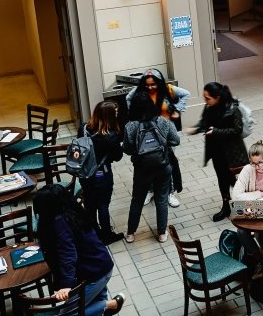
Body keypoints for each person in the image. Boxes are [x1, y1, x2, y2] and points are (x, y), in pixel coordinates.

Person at [34, 184, 125, 316]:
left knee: (68, 314)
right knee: (99, 301)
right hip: (100, 265)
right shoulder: (74, 212)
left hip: (94, 272)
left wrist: (66, 285)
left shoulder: (60, 221)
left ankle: (112, 304)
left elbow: (68, 255)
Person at [126, 69, 190, 208]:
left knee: (168, 163)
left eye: (153, 84)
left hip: (165, 132)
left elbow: (186, 94)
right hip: (146, 133)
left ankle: (169, 192)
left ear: (159, 82)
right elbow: (128, 99)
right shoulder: (139, 91)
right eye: (147, 85)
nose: (150, 87)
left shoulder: (168, 89)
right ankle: (150, 191)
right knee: (147, 163)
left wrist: (176, 109)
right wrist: (135, 116)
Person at [123, 93, 181, 243]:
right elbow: (176, 140)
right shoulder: (163, 121)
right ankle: (162, 234)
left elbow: (127, 149)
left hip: (142, 169)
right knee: (161, 199)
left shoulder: (130, 126)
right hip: (163, 166)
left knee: (137, 200)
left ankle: (130, 234)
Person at [190, 82, 247, 223]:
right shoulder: (209, 107)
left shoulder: (233, 109)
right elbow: (203, 123)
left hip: (232, 153)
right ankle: (226, 206)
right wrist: (196, 129)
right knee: (222, 180)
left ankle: (244, 206)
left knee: (236, 181)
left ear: (218, 97)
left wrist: (216, 132)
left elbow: (237, 130)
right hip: (216, 151)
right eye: (204, 97)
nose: (205, 101)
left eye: (208, 98)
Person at [79, 100, 125, 244]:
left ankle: (94, 233)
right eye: (115, 113)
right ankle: (107, 236)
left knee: (90, 204)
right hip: (101, 174)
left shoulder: (84, 128)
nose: (117, 115)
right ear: (109, 116)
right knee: (103, 205)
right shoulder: (110, 135)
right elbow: (118, 156)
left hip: (85, 174)